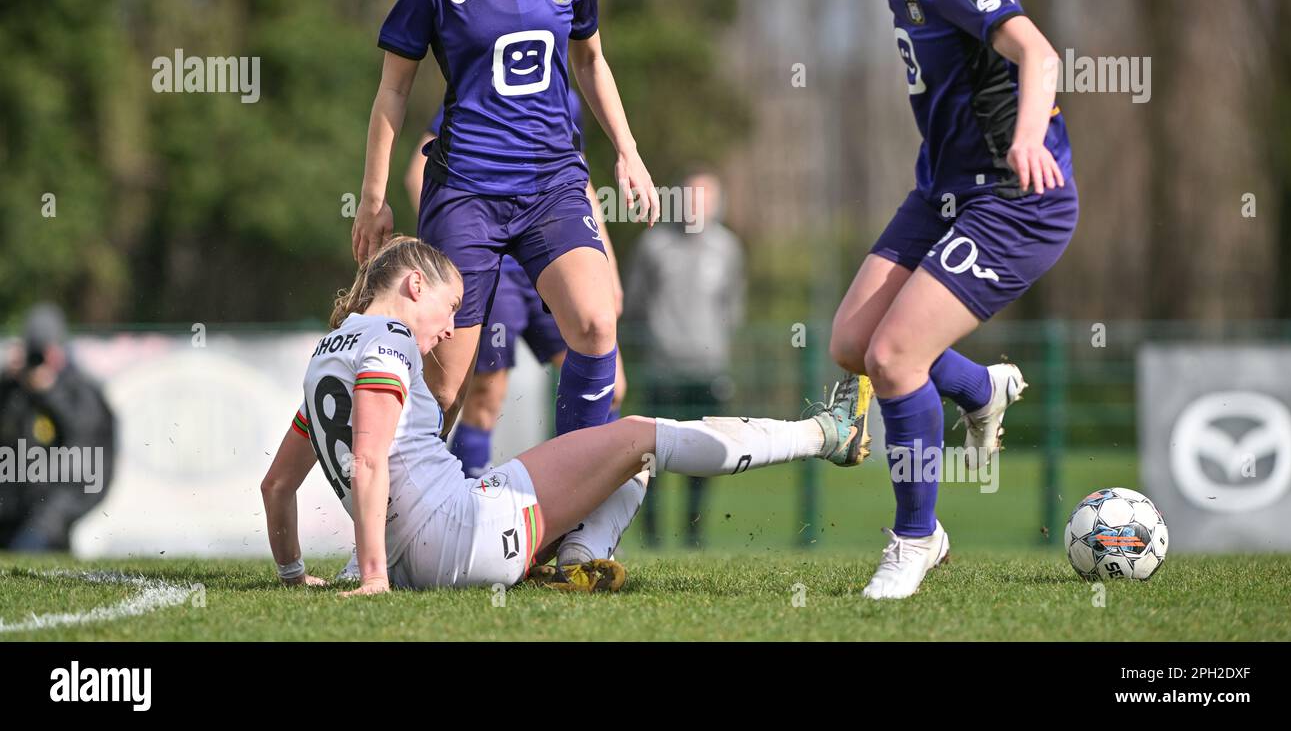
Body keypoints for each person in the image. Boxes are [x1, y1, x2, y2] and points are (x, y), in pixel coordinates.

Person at [350, 0, 655, 565]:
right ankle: (385, 543)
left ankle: (576, 528)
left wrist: (625, 149)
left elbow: (593, 64)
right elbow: (392, 90)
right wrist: (375, 199)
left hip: (554, 181)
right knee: (447, 388)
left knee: (595, 324)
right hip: (469, 194)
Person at [260, 236, 869, 594]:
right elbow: (369, 460)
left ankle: (578, 558)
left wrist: (292, 574)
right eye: (448, 308)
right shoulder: (390, 338)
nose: (448, 329)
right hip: (458, 534)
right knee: (637, 438)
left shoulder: (326, 354)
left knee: (621, 466)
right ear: (414, 285)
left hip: (418, 552)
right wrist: (374, 581)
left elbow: (277, 485)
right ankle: (824, 433)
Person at [807, 0, 1078, 599]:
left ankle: (915, 539)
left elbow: (1041, 54)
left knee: (895, 359)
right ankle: (980, 389)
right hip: (943, 191)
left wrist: (1030, 136)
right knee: (854, 341)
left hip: (1016, 202)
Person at [402, 104, 628, 481]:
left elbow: (581, 187)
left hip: (550, 261)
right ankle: (461, 508)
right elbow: (417, 173)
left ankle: (582, 511)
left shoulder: (565, 98)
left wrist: (610, 269)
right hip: (497, 267)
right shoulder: (479, 87)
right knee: (484, 393)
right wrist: (457, 248)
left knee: (612, 385)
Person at [624, 168, 743, 548]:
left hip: (708, 370)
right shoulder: (654, 245)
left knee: (703, 456)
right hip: (662, 368)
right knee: (652, 457)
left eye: (706, 198)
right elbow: (635, 302)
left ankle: (694, 536)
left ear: (718, 204)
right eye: (692, 197)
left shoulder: (728, 248)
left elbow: (733, 308)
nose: (697, 207)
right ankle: (653, 537)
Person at [0, 304, 116, 551]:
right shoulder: (14, 386)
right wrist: (6, 379)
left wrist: (50, 393)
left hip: (57, 503)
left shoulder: (79, 388)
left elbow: (82, 437)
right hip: (16, 504)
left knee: (32, 544)